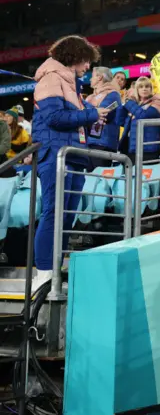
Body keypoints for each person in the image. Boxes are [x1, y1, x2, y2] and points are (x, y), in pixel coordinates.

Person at [32, 35, 107, 290]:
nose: (88, 67)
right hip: (55, 154)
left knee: (67, 218)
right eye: (86, 61)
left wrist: (90, 117)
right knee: (53, 214)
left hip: (73, 155)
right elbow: (54, 117)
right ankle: (43, 274)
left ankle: (55, 272)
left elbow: (70, 118)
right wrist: (91, 113)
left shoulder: (70, 82)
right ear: (74, 56)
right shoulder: (52, 77)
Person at [116, 76, 160, 164]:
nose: (144, 89)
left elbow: (142, 115)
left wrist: (128, 102)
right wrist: (122, 104)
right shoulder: (135, 104)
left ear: (151, 89)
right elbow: (120, 121)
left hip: (148, 150)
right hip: (130, 149)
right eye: (141, 87)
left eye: (147, 86)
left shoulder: (157, 102)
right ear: (137, 90)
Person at [86, 66, 121, 168]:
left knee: (100, 180)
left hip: (103, 144)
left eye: (92, 76)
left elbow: (104, 113)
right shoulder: (91, 97)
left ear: (100, 77)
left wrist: (84, 107)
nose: (90, 79)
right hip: (88, 142)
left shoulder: (113, 95)